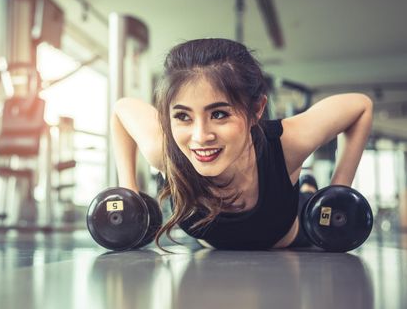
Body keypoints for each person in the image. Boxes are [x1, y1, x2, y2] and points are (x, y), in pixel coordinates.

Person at [111, 38, 373, 250]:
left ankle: (306, 185)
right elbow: (121, 109)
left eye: (219, 114)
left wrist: (338, 193)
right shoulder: (166, 152)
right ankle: (305, 183)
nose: (200, 136)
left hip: (293, 235)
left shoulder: (286, 144)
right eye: (183, 116)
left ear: (256, 110)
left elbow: (360, 106)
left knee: (306, 197)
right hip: (213, 254)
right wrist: (129, 192)